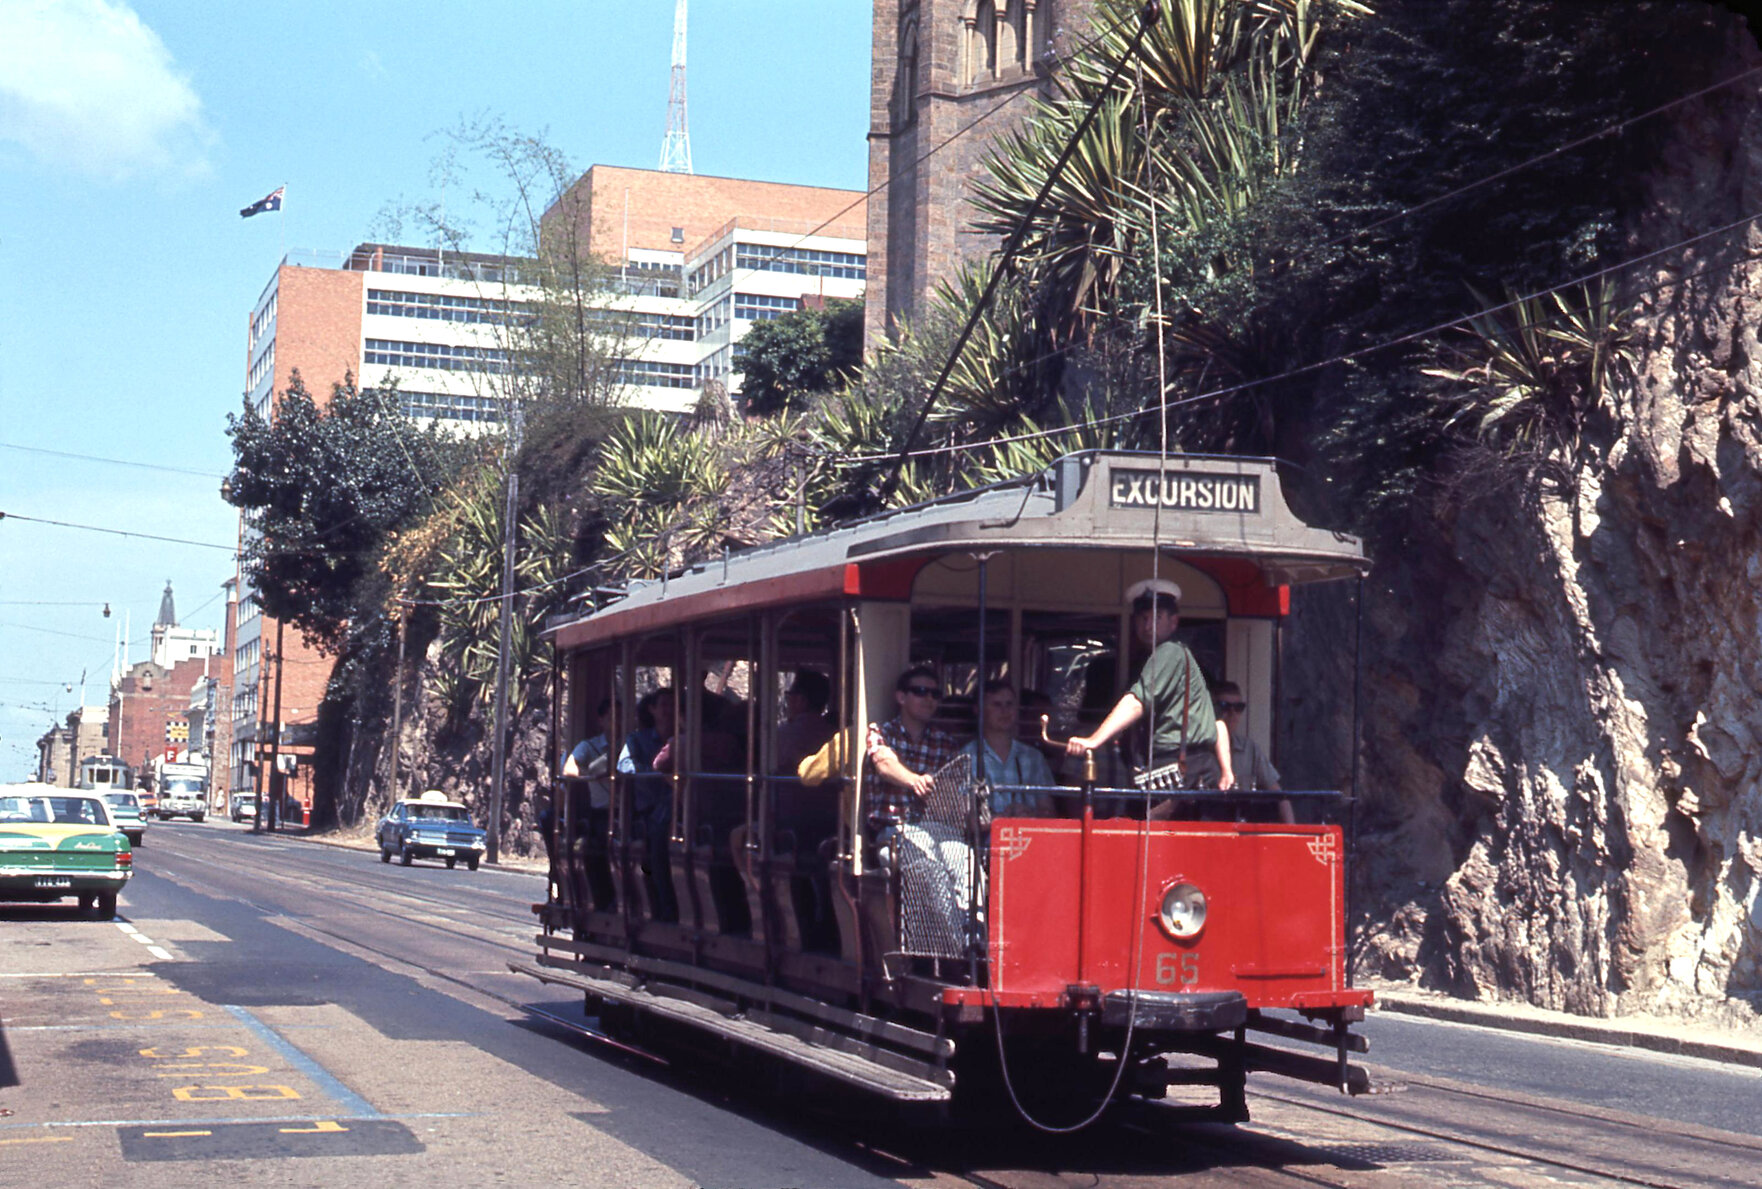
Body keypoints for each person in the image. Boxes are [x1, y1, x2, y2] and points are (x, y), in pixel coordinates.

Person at [1065, 578, 1235, 794]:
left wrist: (1093, 740)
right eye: (1143, 618)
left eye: (1157, 617)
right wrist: (1226, 770)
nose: (1147, 626)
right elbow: (1217, 721)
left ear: (1173, 622)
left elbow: (1136, 703)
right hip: (1195, 771)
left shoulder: (1169, 653)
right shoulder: (1176, 656)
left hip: (1179, 770)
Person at [617, 688, 677, 921]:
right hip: (650, 811)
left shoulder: (685, 736)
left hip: (680, 806)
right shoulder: (637, 739)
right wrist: (653, 774)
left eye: (672, 705)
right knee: (659, 835)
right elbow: (624, 766)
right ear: (652, 710)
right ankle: (664, 906)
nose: (668, 710)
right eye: (663, 705)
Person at [964, 679, 1056, 817]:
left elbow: (1048, 811)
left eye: (1009, 704)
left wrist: (1030, 814)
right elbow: (963, 816)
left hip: (1028, 835)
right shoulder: (965, 757)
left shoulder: (1034, 757)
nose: (1004, 711)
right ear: (978, 709)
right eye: (997, 705)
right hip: (985, 838)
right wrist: (1001, 819)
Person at [1213, 680, 1293, 824]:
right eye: (1225, 706)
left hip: (1240, 831)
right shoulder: (1199, 748)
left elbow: (1279, 795)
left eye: (1238, 707)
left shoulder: (1249, 749)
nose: (1232, 713)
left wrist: (1294, 836)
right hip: (1206, 830)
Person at [774, 670, 835, 774]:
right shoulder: (834, 735)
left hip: (787, 789)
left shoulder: (784, 734)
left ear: (801, 700)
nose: (788, 701)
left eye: (789, 695)